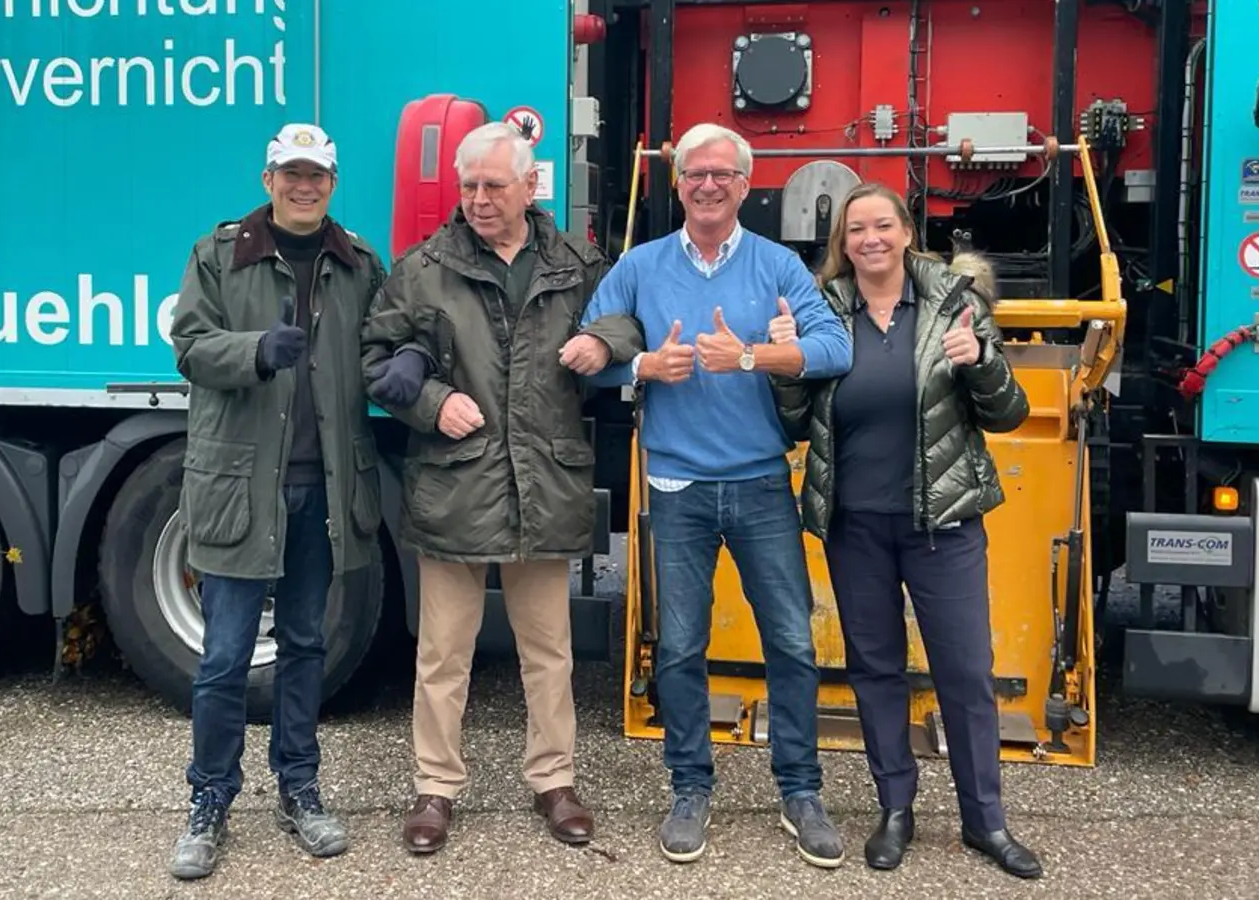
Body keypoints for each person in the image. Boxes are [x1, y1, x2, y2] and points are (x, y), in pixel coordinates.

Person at [359, 121, 644, 854]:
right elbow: (378, 356)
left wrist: (606, 342)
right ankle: (434, 788)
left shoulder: (578, 261)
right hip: (457, 483)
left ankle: (555, 781)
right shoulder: (423, 268)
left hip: (544, 480)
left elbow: (628, 317)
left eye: (494, 185)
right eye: (469, 186)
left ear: (529, 186)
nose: (480, 200)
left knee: (548, 652)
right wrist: (429, 403)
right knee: (443, 652)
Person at [576, 122, 853, 868]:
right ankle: (690, 787)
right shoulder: (639, 266)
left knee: (792, 642)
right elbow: (581, 351)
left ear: (743, 185)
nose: (706, 185)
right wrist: (639, 369)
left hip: (762, 481)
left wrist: (754, 355)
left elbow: (836, 347)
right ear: (678, 183)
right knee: (681, 648)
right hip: (677, 485)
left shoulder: (778, 266)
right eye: (694, 174)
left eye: (721, 175)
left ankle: (800, 790)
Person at [767, 181, 1041, 879]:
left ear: (906, 231)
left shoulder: (954, 302)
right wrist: (788, 367)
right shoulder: (825, 309)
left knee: (966, 673)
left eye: (882, 225)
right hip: (854, 524)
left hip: (942, 523)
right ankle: (895, 809)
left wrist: (978, 364)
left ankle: (985, 821)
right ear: (842, 244)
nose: (870, 240)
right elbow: (796, 424)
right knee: (876, 671)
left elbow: (1008, 411)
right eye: (856, 230)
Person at [165, 122, 389, 880]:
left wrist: (410, 362)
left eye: (317, 176)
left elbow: (385, 345)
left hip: (323, 490)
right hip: (240, 489)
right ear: (268, 181)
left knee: (306, 650)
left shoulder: (358, 264)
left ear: (332, 183)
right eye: (290, 174)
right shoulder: (219, 254)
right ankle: (209, 800)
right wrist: (255, 351)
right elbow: (190, 347)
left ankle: (300, 787)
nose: (304, 186)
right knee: (225, 657)